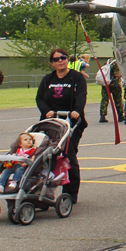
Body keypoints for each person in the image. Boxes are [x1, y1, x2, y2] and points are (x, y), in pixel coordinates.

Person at [36, 47, 87, 203]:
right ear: (52, 63)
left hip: (70, 123)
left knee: (68, 155)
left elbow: (81, 95)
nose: (60, 61)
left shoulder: (77, 78)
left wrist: (77, 110)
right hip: (51, 123)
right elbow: (39, 99)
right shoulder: (48, 79)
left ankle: (70, 194)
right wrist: (47, 111)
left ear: (67, 60)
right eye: (56, 59)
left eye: (63, 58)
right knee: (44, 157)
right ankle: (43, 191)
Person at [99, 58, 124, 123]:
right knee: (118, 100)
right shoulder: (116, 63)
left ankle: (102, 115)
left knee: (104, 99)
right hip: (114, 83)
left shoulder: (108, 61)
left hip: (106, 83)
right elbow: (117, 74)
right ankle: (120, 116)